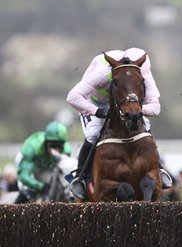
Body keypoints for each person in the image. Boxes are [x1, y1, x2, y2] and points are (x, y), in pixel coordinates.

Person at [66, 47, 172, 200]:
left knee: (145, 126)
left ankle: (159, 168)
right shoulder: (102, 73)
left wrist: (135, 110)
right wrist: (96, 111)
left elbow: (156, 108)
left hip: (125, 103)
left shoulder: (143, 73)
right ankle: (80, 178)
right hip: (93, 103)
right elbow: (73, 97)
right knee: (93, 133)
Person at [14, 121, 73, 204]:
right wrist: (40, 186)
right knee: (26, 191)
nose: (55, 150)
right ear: (46, 142)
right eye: (52, 145)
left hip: (47, 170)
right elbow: (24, 175)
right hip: (29, 170)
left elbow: (67, 176)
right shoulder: (32, 148)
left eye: (59, 146)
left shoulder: (67, 151)